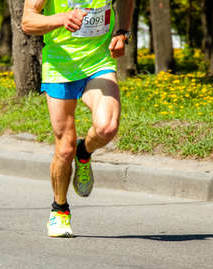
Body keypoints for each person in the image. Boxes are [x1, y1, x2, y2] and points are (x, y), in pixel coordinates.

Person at [22, 0, 134, 237]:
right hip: (60, 68)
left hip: (98, 62)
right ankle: (59, 209)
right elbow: (28, 21)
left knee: (107, 127)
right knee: (64, 148)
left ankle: (84, 152)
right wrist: (60, 18)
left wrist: (122, 32)